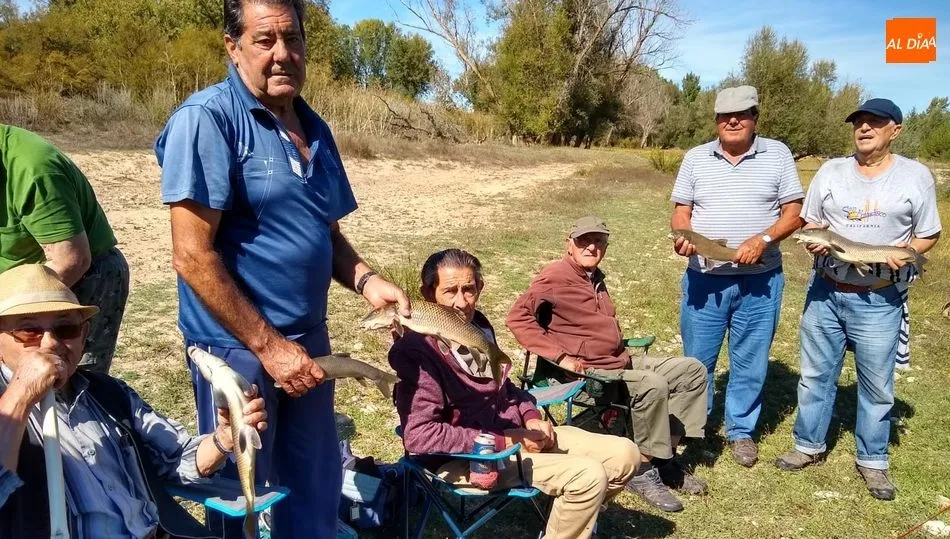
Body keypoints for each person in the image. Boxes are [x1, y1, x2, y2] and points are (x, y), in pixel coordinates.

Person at [153, 0, 410, 535]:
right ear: (233, 46)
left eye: (291, 39)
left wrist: (366, 280)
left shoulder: (313, 125)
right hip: (239, 350)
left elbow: (327, 233)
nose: (281, 54)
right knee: (243, 497)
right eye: (264, 40)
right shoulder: (207, 120)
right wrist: (268, 348)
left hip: (308, 342)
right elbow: (192, 256)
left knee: (312, 488)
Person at [0, 264, 268, 538]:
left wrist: (224, 438)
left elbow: (178, 458)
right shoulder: (6, 406)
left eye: (65, 328)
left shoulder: (108, 393)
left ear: (83, 334)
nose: (50, 343)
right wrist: (22, 393)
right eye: (28, 331)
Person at [391, 249, 640, 539]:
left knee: (626, 454)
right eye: (450, 291)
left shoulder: (477, 328)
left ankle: (568, 517)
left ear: (480, 288)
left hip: (514, 435)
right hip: (465, 459)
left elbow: (504, 387)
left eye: (469, 290)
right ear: (427, 293)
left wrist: (531, 417)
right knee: (589, 476)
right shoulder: (416, 351)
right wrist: (503, 440)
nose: (461, 303)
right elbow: (420, 436)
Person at [774, 98, 941, 500]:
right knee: (815, 375)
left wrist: (905, 254)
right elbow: (811, 222)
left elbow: (929, 234)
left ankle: (873, 461)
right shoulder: (830, 171)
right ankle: (807, 446)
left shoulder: (916, 176)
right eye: (860, 123)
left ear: (894, 130)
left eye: (875, 123)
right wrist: (815, 242)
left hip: (880, 299)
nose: (865, 129)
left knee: (877, 386)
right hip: (826, 292)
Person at [506, 217, 708, 513]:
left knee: (691, 370)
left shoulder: (595, 277)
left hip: (619, 361)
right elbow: (517, 317)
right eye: (584, 240)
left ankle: (664, 458)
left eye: (598, 241)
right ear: (569, 244)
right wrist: (561, 357)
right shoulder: (555, 276)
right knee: (652, 385)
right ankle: (641, 470)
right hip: (587, 373)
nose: (591, 246)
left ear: (606, 246)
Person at [670, 85, 804, 467]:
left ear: (754, 118)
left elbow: (794, 212)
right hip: (704, 278)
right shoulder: (696, 158)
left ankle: (740, 431)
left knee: (750, 359)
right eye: (725, 115)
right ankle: (693, 426)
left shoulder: (777, 154)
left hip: (760, 279)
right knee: (697, 360)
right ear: (715, 120)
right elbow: (682, 211)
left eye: (742, 114)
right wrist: (684, 236)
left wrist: (763, 239)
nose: (733, 120)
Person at [0, 124, 129, 375]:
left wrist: (8, 308)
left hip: (82, 277)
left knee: (66, 380)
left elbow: (71, 260)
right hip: (13, 286)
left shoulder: (33, 169)